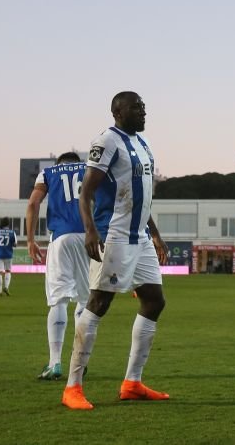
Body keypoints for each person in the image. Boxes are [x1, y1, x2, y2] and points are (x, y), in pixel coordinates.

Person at [62, 91, 170, 411]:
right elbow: (86, 192)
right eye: (136, 107)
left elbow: (141, 195)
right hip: (115, 234)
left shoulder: (142, 143)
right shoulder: (107, 140)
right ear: (117, 111)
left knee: (154, 300)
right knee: (98, 302)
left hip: (140, 236)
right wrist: (91, 230)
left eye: (144, 107)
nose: (143, 112)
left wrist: (157, 235)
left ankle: (132, 382)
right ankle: (73, 386)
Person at [27, 151, 91, 381]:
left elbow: (34, 203)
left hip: (61, 238)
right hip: (88, 237)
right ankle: (80, 361)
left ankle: (55, 362)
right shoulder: (90, 168)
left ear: (59, 163)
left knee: (59, 299)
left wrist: (31, 239)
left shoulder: (48, 173)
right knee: (86, 299)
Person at [0, 218, 17, 296]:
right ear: (8, 224)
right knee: (8, 271)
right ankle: (6, 287)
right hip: (8, 254)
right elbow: (15, 244)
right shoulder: (12, 232)